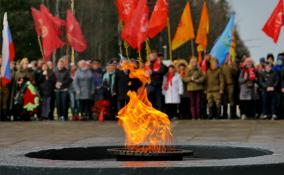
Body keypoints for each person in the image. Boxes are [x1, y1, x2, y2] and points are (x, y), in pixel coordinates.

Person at [0, 56, 11, 121]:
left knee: (5, 102)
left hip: (5, 88)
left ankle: (4, 116)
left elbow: (9, 77)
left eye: (2, 60)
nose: (1, 61)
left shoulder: (6, 68)